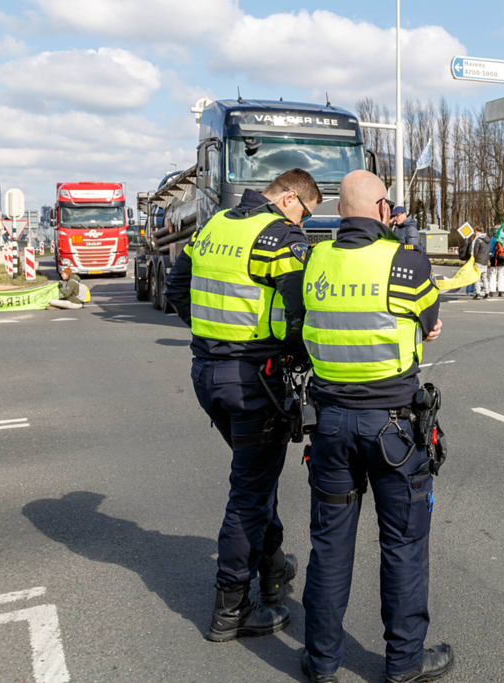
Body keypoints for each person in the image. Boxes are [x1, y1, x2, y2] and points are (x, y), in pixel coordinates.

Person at [299, 170, 453, 683]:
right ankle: (404, 663)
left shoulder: (314, 261)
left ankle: (321, 663)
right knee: (403, 546)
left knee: (330, 546)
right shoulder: (404, 263)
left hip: (330, 425)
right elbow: (430, 322)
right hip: (393, 428)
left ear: (340, 211)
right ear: (384, 210)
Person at [164, 168, 320, 642]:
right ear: (290, 198)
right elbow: (299, 318)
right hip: (254, 381)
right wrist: (291, 356)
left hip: (206, 375)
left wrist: (216, 339)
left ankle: (273, 567)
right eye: (306, 215)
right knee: (249, 493)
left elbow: (175, 291)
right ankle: (230, 608)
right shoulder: (279, 239)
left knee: (257, 474)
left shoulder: (215, 226)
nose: (304, 226)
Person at [488, 223, 504, 296]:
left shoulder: (494, 238)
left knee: (493, 274)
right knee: (501, 275)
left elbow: (490, 249)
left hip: (495, 258)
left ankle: (492, 290)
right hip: (503, 258)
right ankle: (501, 291)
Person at [470, 226, 491, 299]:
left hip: (478, 260)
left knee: (477, 278)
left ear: (479, 232)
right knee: (484, 277)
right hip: (485, 261)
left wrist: (474, 259)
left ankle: (478, 293)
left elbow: (475, 251)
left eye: (475, 232)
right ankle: (487, 292)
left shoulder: (478, 240)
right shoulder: (488, 240)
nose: (474, 234)